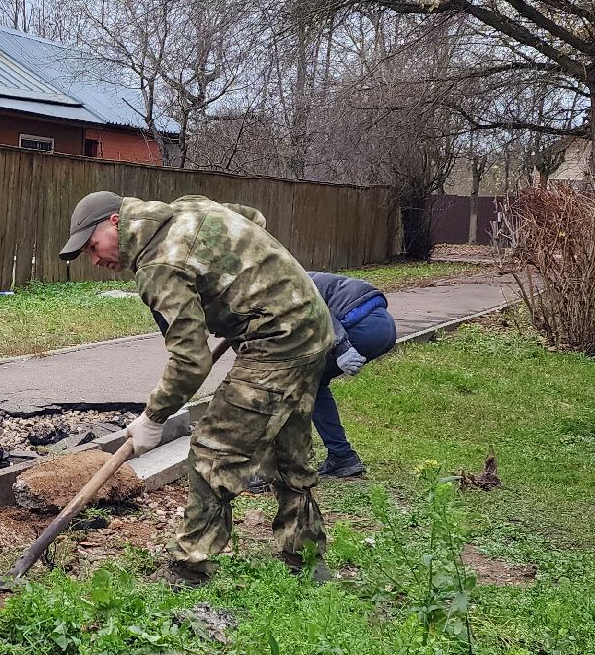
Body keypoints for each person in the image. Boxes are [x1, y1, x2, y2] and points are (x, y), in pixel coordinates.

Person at [60, 190, 336, 585]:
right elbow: (253, 218)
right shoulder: (190, 209)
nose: (96, 259)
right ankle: (308, 560)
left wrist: (154, 415)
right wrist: (239, 294)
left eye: (92, 245)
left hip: (276, 341)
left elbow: (191, 360)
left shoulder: (158, 263)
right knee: (286, 448)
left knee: (214, 450)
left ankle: (189, 567)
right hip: (311, 323)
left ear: (115, 222)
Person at [303, 271, 397, 479]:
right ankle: (341, 457)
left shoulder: (284, 285)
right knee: (313, 383)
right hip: (383, 325)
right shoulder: (284, 276)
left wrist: (341, 345)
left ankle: (285, 463)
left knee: (303, 382)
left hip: (360, 325)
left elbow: (316, 307)